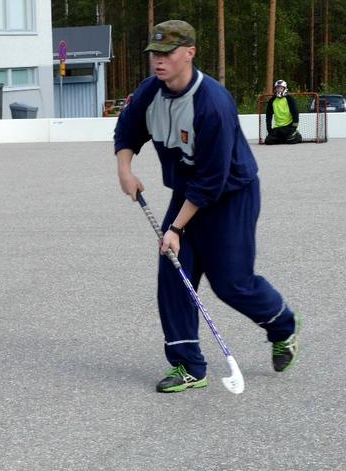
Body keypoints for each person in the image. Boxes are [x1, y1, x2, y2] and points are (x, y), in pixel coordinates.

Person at [114, 20, 300, 393]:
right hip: (187, 194)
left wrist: (176, 228)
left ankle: (282, 327)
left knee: (231, 282)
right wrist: (125, 169)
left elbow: (211, 182)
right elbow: (128, 129)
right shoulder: (151, 91)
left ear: (190, 53)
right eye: (155, 54)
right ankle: (188, 366)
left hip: (230, 196)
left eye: (167, 53)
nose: (159, 61)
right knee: (174, 273)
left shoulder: (212, 103)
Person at [264, 80, 302, 145]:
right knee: (268, 141)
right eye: (277, 88)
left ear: (285, 89)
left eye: (281, 88)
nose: (279, 90)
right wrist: (269, 129)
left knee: (291, 140)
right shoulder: (272, 100)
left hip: (289, 126)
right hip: (277, 127)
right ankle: (283, 138)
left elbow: (295, 114)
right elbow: (268, 115)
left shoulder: (289, 98)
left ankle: (297, 134)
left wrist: (294, 128)